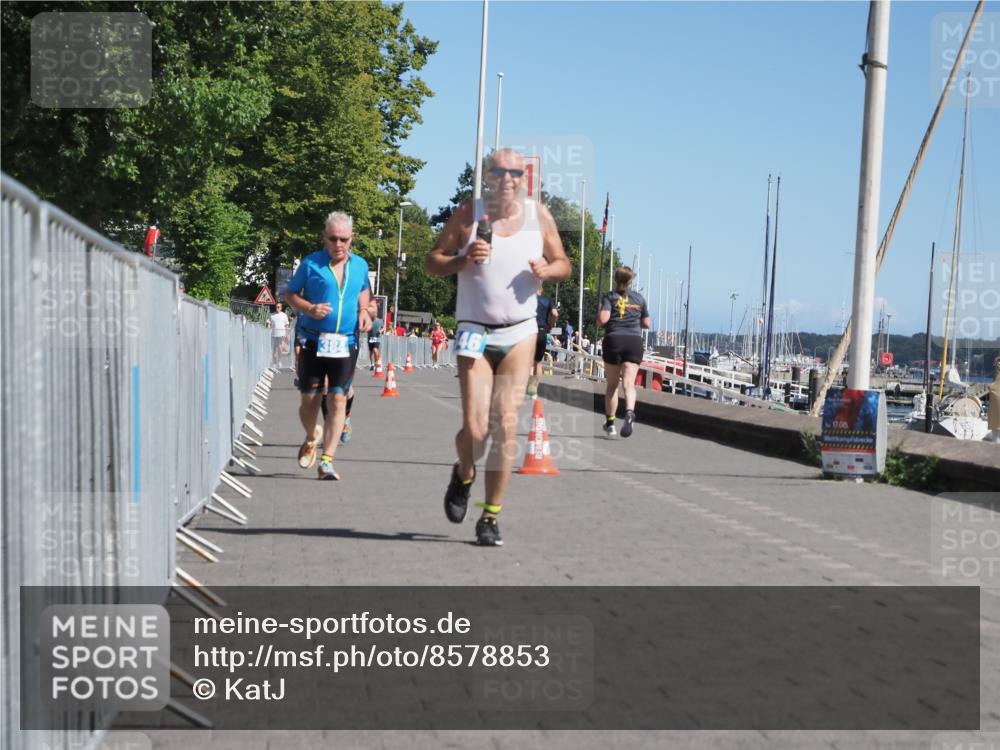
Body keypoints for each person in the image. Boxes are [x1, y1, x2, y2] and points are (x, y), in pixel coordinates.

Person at [426, 148, 571, 546]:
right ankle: (464, 473)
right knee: (475, 429)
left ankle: (489, 516)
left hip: (519, 332)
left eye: (515, 172)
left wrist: (548, 269)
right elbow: (431, 262)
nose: (507, 178)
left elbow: (563, 263)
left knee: (505, 425)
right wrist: (461, 258)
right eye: (499, 171)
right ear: (488, 177)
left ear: (524, 178)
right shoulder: (467, 215)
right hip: (474, 329)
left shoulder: (538, 216)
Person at [285, 211, 374, 479]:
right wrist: (309, 308)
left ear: (351, 239)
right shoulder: (311, 264)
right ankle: (312, 435)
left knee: (337, 399)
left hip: (345, 342)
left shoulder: (359, 266)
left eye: (344, 239)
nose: (339, 244)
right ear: (325, 237)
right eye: (333, 238)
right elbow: (290, 294)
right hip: (313, 340)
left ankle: (327, 460)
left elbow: (367, 299)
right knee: (309, 402)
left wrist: (366, 313)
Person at [597, 266, 651, 438]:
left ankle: (611, 423)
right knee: (629, 384)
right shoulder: (639, 298)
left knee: (612, 385)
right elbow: (647, 323)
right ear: (630, 281)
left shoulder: (610, 297)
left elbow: (603, 319)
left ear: (616, 279)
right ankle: (629, 412)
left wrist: (599, 319)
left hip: (614, 340)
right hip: (634, 341)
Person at [527, 290, 558, 397]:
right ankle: (534, 389)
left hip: (529, 331)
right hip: (541, 331)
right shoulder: (548, 300)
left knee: (527, 361)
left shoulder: (528, 299)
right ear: (542, 290)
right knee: (538, 362)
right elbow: (555, 314)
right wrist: (551, 325)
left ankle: (526, 385)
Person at [269, 303, 290, 368]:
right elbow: (269, 323)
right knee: (274, 349)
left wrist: (287, 333)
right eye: (276, 307)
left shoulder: (284, 315)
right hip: (273, 334)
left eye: (278, 307)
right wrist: (268, 327)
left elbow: (286, 324)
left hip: (281, 334)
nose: (277, 308)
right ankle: (274, 362)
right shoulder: (272, 315)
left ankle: (279, 361)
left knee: (280, 349)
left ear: (281, 308)